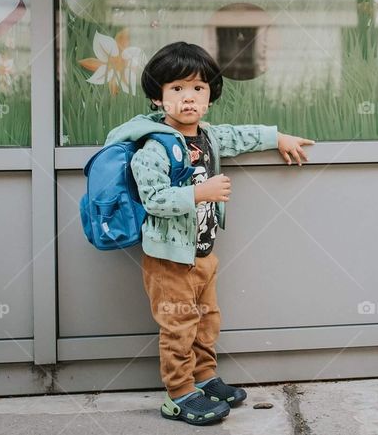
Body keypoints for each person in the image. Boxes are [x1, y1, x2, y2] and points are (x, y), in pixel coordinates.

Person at [103, 41, 314, 425]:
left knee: (207, 319)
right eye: (177, 89)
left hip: (203, 252)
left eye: (198, 89)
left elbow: (240, 135)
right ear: (157, 98)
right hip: (169, 259)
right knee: (179, 324)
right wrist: (199, 193)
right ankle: (179, 393)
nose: (188, 98)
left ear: (210, 97)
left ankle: (204, 377)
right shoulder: (154, 146)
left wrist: (278, 137)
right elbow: (153, 199)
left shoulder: (208, 135)